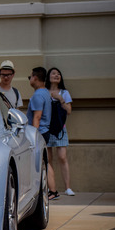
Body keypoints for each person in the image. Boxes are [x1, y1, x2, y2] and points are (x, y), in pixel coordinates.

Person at [27, 67, 58, 200]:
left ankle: (52, 191)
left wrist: (33, 136)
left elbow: (37, 117)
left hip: (39, 133)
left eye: (30, 77)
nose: (29, 80)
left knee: (41, 163)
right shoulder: (46, 92)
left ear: (35, 77)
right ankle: (53, 190)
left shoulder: (38, 95)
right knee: (46, 162)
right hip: (44, 132)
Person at [46, 67, 74, 196]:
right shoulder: (44, 92)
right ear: (48, 77)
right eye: (53, 73)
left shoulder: (64, 92)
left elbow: (69, 110)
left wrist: (59, 98)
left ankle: (68, 187)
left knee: (62, 157)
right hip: (46, 128)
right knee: (48, 159)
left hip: (61, 129)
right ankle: (51, 188)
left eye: (58, 74)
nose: (56, 75)